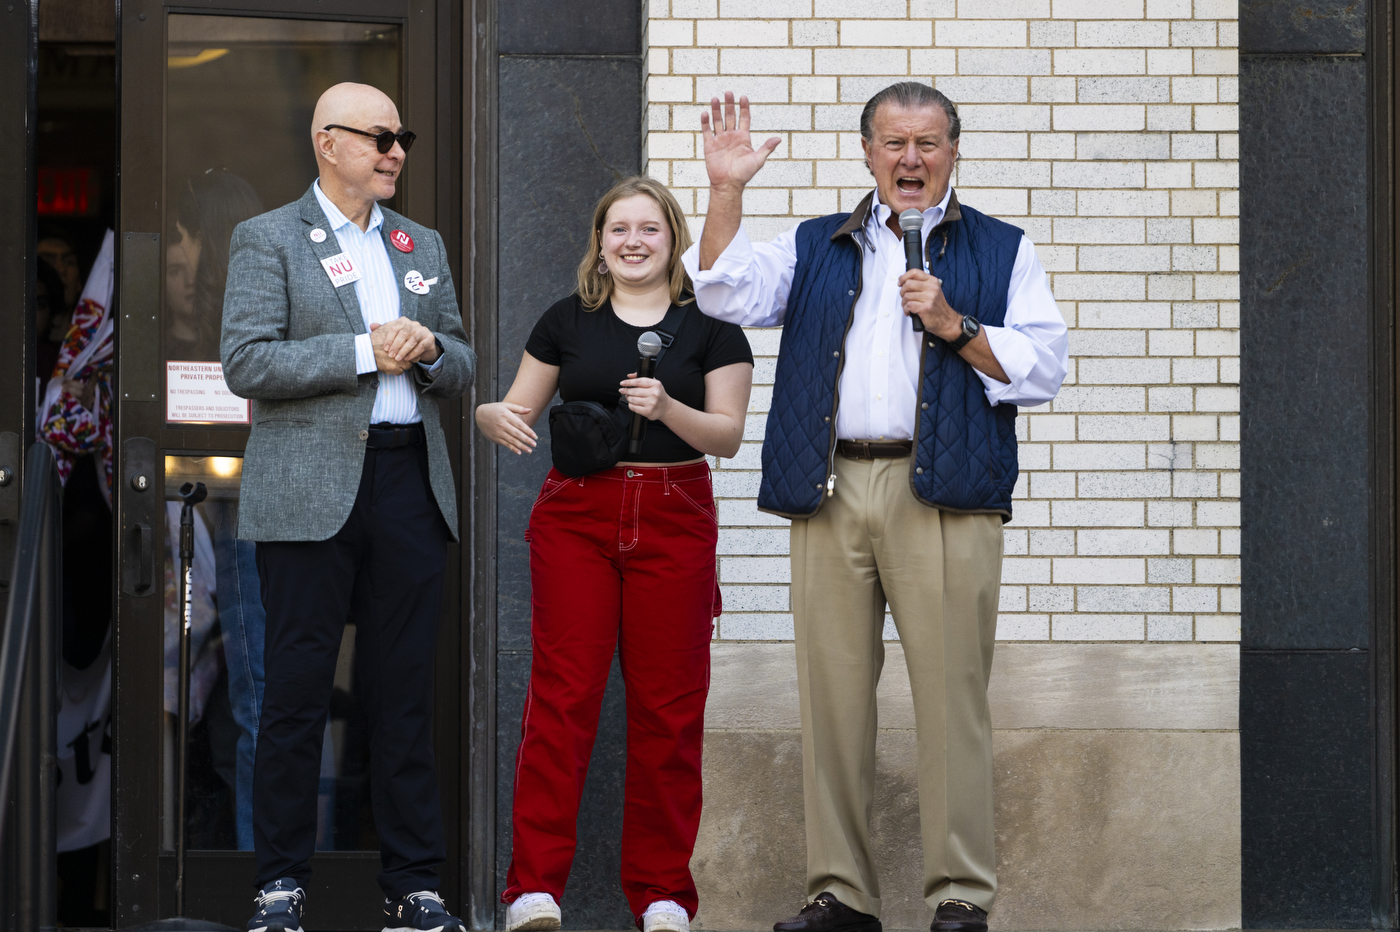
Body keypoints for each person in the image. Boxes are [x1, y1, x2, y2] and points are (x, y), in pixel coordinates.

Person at [683, 85, 1068, 932]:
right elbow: (723, 293)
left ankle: (960, 896)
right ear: (866, 153)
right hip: (830, 490)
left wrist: (954, 323)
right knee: (831, 698)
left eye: (928, 143)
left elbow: (1042, 371)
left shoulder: (1003, 247)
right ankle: (842, 895)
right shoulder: (819, 243)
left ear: (954, 152)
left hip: (943, 497)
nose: (910, 160)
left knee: (950, 698)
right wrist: (725, 192)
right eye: (893, 143)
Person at [220, 82, 475, 932]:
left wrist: (433, 347)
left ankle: (414, 884)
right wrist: (367, 350)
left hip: (408, 483)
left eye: (401, 136)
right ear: (329, 143)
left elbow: (464, 362)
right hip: (306, 493)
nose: (396, 150)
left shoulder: (418, 242)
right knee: (293, 696)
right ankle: (281, 884)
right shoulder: (266, 239)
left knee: (403, 697)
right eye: (380, 137)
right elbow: (248, 363)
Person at [476, 176, 754, 932]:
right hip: (578, 514)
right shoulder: (566, 321)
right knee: (562, 699)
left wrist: (669, 408)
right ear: (600, 243)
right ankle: (533, 890)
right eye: (618, 229)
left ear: (674, 241)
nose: (633, 241)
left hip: (676, 511)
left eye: (650, 229)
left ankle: (663, 893)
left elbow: (727, 435)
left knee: (669, 707)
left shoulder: (714, 331)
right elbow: (515, 407)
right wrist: (490, 413)